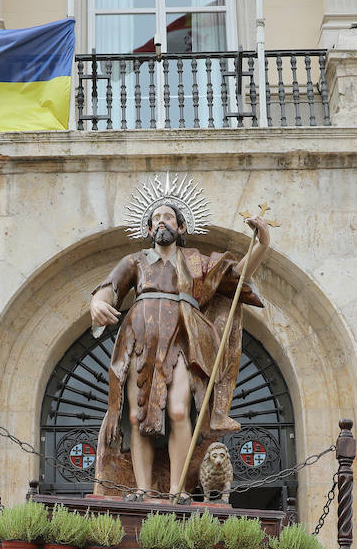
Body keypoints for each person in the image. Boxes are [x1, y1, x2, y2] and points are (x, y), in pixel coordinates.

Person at [89, 198, 271, 498]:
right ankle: (144, 491)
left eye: (169, 217)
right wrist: (96, 303)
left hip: (183, 337)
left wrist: (262, 244)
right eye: (156, 218)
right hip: (140, 339)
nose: (162, 221)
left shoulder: (196, 262)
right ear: (149, 228)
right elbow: (110, 289)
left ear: (181, 226)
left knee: (177, 411)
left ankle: (177, 489)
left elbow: (236, 277)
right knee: (136, 416)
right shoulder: (135, 261)